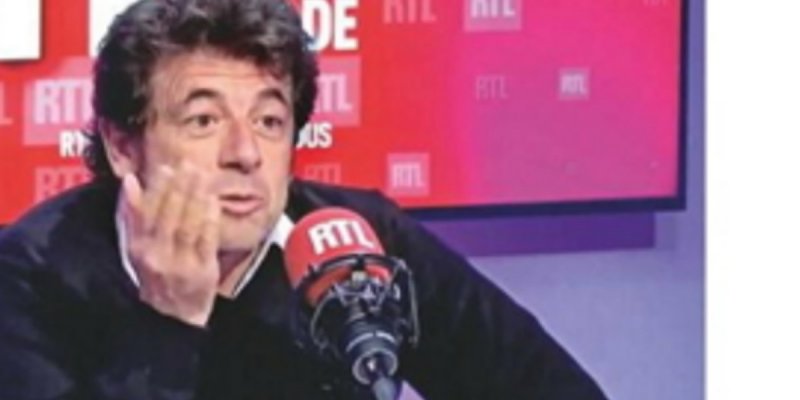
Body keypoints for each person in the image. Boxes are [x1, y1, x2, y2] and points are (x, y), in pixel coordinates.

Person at [0, 0, 608, 399]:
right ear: (122, 147)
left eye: (269, 121)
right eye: (204, 120)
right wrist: (168, 327)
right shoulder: (30, 275)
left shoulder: (358, 242)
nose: (245, 153)